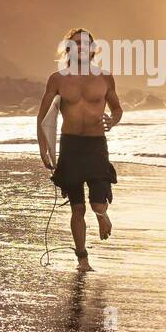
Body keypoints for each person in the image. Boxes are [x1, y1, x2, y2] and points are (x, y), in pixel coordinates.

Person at [37, 28, 122, 271]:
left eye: (86, 44)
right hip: (71, 147)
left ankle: (102, 215)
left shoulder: (105, 78)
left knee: (96, 204)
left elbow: (117, 109)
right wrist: (43, 147)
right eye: (75, 44)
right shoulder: (58, 79)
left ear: (93, 49)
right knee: (77, 207)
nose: (81, 47)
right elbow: (42, 116)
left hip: (96, 146)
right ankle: (82, 259)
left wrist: (113, 120)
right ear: (68, 49)